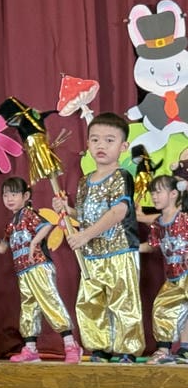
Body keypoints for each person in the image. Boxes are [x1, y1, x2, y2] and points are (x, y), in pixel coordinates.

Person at [53, 112, 143, 363]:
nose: (101, 145)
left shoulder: (121, 176)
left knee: (123, 300)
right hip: (92, 255)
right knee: (91, 301)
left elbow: (118, 211)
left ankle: (126, 350)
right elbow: (85, 215)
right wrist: (67, 209)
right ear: (88, 144)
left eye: (109, 140)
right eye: (95, 140)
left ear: (123, 146)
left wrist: (85, 235)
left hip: (119, 250)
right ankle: (99, 348)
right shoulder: (84, 182)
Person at [0, 177, 82, 363]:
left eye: (14, 194)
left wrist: (34, 242)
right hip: (23, 272)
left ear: (26, 196)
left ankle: (71, 345)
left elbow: (47, 226)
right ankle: (31, 349)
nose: (9, 199)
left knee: (50, 302)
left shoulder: (28, 214)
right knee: (29, 308)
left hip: (38, 266)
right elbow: (2, 247)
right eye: (5, 195)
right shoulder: (11, 223)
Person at [139, 175, 188, 364]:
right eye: (152, 192)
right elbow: (152, 245)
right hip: (174, 276)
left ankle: (182, 350)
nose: (154, 196)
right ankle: (164, 351)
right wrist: (131, 248)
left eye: (159, 192)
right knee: (162, 307)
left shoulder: (184, 218)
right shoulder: (159, 223)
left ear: (174, 194)